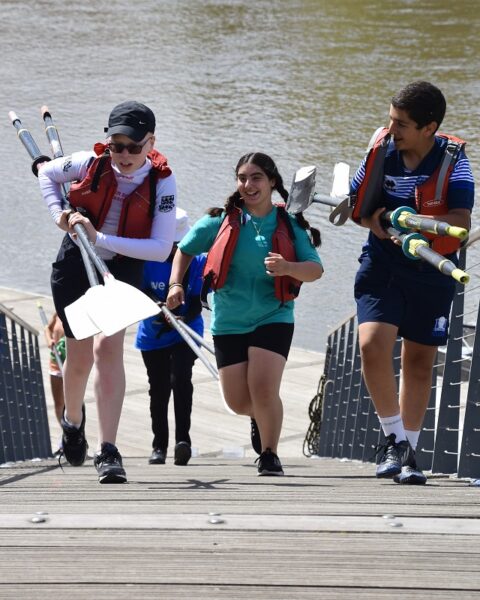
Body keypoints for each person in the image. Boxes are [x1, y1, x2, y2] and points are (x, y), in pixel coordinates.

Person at [38, 101, 177, 483]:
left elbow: (161, 248)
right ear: (107, 143)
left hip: (123, 266)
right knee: (79, 355)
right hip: (74, 264)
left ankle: (109, 450)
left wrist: (102, 237)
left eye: (135, 146)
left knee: (108, 348)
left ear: (151, 142)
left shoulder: (163, 182)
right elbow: (46, 175)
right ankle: (72, 421)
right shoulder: (88, 163)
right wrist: (60, 216)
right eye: (117, 146)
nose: (125, 155)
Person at [166, 152, 323, 476]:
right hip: (229, 319)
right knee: (238, 401)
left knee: (264, 389)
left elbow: (314, 269)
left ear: (272, 182)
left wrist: (287, 267)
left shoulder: (288, 224)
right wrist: (175, 285)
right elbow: (184, 250)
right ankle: (261, 417)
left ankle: (269, 453)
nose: (248, 185)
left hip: (274, 316)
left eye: (256, 178)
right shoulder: (219, 221)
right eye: (242, 178)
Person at [350, 81, 474, 484]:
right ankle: (396, 442)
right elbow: (357, 205)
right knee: (371, 345)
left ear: (429, 128)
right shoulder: (382, 147)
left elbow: (460, 223)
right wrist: (378, 222)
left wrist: (422, 233)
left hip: (432, 267)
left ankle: (407, 452)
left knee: (419, 364)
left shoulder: (455, 161)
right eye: (390, 120)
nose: (392, 130)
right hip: (383, 263)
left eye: (401, 124)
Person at [135, 208, 205, 467]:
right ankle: (159, 446)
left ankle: (182, 441)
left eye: (181, 244)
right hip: (153, 333)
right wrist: (160, 306)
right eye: (173, 244)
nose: (178, 249)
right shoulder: (144, 258)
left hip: (187, 330)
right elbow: (139, 289)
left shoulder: (196, 261)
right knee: (159, 388)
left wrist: (184, 317)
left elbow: (198, 299)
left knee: (181, 378)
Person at [43, 311, 66, 455]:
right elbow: (47, 329)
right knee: (59, 404)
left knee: (73, 403)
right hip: (56, 364)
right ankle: (65, 434)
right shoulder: (58, 313)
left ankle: (76, 435)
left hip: (73, 366)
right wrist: (49, 341)